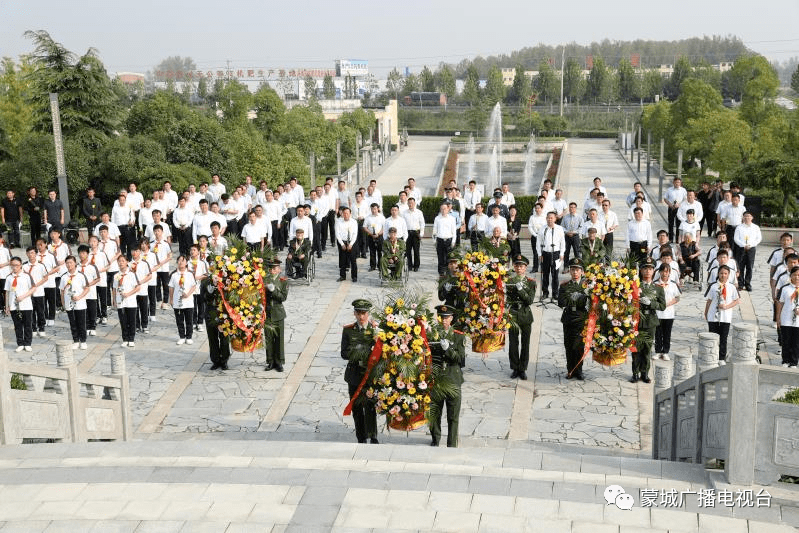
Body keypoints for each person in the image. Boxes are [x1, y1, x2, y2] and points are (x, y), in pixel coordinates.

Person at [341, 299, 378, 444]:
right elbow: (343, 353)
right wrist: (356, 353)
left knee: (370, 406)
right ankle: (361, 437)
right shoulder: (348, 330)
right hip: (354, 374)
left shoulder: (376, 329)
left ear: (368, 314)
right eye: (359, 313)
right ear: (354, 314)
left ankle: (373, 436)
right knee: (357, 408)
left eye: (364, 313)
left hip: (370, 375)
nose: (361, 317)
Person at [429, 304, 466, 447]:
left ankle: (451, 444)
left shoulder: (458, 336)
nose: (443, 321)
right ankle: (435, 439)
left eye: (446, 318)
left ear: (451, 318)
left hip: (452, 378)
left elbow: (459, 359)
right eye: (441, 317)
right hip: (437, 378)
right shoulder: (433, 334)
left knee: (453, 415)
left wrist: (448, 349)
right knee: (435, 412)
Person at [633, 258, 666, 383]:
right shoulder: (635, 286)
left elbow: (662, 306)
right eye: (645, 268)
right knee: (636, 348)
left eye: (650, 269)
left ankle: (644, 373)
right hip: (637, 319)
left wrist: (651, 303)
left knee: (647, 348)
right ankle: (635, 373)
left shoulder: (658, 288)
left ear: (654, 271)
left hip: (650, 320)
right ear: (641, 270)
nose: (648, 271)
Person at [506, 255, 536, 380]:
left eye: (521, 266)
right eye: (517, 266)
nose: (519, 268)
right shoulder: (509, 281)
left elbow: (529, 300)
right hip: (513, 314)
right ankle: (514, 368)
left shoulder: (531, 282)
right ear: (514, 267)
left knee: (525, 343)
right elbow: (507, 298)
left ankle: (522, 368)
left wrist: (521, 290)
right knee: (513, 343)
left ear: (526, 268)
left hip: (525, 314)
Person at [704, 265, 740, 364]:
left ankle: (721, 358)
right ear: (718, 274)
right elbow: (709, 301)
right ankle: (712, 355)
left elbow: (737, 301)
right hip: (713, 316)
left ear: (728, 275)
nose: (723, 275)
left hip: (725, 316)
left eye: (725, 273)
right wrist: (706, 313)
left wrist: (727, 306)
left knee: (723, 338)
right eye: (721, 273)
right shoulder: (713, 286)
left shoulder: (732, 287)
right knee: (713, 336)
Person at [60, 255, 90, 350]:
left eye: (71, 263)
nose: (69, 265)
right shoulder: (64, 277)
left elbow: (87, 288)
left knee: (81, 323)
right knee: (73, 323)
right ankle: (76, 340)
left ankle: (83, 341)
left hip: (80, 303)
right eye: (67, 263)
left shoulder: (81, 275)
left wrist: (80, 297)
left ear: (75, 263)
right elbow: (61, 291)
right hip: (69, 304)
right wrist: (63, 303)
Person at [6, 256, 36, 352]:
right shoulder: (9, 277)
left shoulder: (26, 276)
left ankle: (27, 343)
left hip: (26, 304)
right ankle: (20, 343)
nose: (14, 267)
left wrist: (23, 296)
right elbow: (7, 292)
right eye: (12, 265)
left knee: (27, 325)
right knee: (17, 325)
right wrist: (7, 306)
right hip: (14, 305)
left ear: (21, 265)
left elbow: (33, 288)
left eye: (16, 265)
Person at [264, 258, 288, 372]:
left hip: (278, 313)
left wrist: (273, 291)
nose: (273, 270)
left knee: (279, 339)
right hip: (268, 313)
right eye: (272, 268)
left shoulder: (283, 281)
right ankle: (270, 361)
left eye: (276, 268)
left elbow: (283, 297)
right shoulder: (265, 280)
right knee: (269, 339)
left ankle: (279, 362)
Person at [113, 256, 141, 348]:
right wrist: (114, 300)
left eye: (123, 261)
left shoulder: (132, 274)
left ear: (127, 262)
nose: (121, 263)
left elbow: (138, 287)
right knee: (123, 321)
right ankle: (125, 339)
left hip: (131, 301)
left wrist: (128, 294)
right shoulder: (116, 276)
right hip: (120, 301)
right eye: (119, 261)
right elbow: (114, 289)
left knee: (131, 320)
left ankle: (131, 339)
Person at [169, 255, 197, 346]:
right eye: (179, 261)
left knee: (189, 320)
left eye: (182, 261)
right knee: (179, 320)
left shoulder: (189, 274)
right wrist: (171, 299)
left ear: (186, 263)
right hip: (178, 302)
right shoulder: (174, 275)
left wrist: (188, 294)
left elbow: (193, 286)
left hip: (188, 302)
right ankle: (181, 336)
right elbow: (171, 287)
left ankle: (189, 337)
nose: (181, 262)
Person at [654, 263, 680, 362]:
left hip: (669, 313)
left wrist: (668, 304)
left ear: (669, 273)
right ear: (659, 272)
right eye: (663, 271)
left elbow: (677, 298)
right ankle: (657, 351)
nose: (665, 273)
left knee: (667, 334)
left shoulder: (673, 284)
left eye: (667, 271)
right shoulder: (655, 283)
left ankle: (665, 352)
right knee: (658, 333)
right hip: (657, 313)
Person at [538, 212, 565, 301]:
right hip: (545, 253)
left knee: (555, 275)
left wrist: (562, 254)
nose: (550, 219)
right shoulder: (543, 228)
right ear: (546, 218)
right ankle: (545, 292)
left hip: (556, 254)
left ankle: (555, 293)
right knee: (545, 274)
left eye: (551, 218)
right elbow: (538, 242)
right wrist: (539, 254)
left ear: (555, 219)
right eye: (548, 218)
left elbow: (562, 242)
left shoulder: (559, 228)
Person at [775, 266, 799, 368]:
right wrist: (778, 317)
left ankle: (794, 362)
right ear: (791, 276)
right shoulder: (785, 288)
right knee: (786, 341)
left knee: (796, 343)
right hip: (786, 319)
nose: (797, 277)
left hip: (798, 321)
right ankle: (785, 360)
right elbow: (780, 304)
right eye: (795, 275)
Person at [733, 211, 761, 292]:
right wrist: (743, 245)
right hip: (741, 248)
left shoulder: (756, 227)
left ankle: (748, 283)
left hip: (751, 248)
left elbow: (758, 238)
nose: (747, 218)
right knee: (740, 266)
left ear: (752, 218)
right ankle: (740, 284)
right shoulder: (739, 227)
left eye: (749, 216)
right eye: (745, 216)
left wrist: (751, 245)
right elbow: (736, 238)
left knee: (749, 266)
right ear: (743, 218)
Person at [77, 244, 101, 337]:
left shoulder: (92, 266)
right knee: (84, 311)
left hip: (91, 293)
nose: (81, 255)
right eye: (80, 253)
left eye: (83, 253)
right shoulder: (77, 267)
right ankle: (86, 327)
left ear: (87, 254)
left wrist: (88, 284)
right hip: (81, 293)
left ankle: (93, 327)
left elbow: (98, 278)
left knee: (92, 310)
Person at [432, 203, 457, 276]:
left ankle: (448, 272)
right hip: (440, 240)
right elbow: (434, 230)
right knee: (440, 258)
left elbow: (454, 231)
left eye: (445, 209)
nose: (443, 210)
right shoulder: (437, 218)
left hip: (449, 240)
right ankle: (441, 273)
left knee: (448, 258)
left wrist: (453, 241)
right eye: (442, 209)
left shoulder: (452, 219)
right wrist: (434, 241)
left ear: (448, 209)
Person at [336, 206, 359, 282]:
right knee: (342, 260)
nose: (346, 215)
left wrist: (351, 244)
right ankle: (342, 276)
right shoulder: (338, 222)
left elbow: (355, 234)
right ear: (342, 214)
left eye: (347, 213)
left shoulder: (354, 222)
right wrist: (342, 244)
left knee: (353, 260)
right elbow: (337, 234)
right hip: (342, 242)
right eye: (344, 213)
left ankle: (354, 276)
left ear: (350, 214)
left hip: (352, 242)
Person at [403, 197, 425, 272]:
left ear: (414, 203)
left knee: (416, 250)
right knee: (408, 251)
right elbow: (402, 224)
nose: (410, 204)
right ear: (407, 203)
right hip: (407, 233)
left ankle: (416, 266)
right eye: (409, 203)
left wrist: (421, 233)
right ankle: (409, 265)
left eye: (412, 203)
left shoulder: (419, 212)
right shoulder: (404, 213)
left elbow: (422, 223)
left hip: (416, 233)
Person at [663, 177, 687, 242]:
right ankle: (670, 239)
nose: (677, 183)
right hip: (671, 208)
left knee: (678, 224)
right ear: (673, 182)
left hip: (679, 208)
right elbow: (665, 198)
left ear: (680, 183)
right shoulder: (669, 190)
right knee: (670, 223)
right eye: (676, 182)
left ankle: (677, 239)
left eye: (678, 182)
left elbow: (685, 200)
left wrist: (679, 205)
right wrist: (670, 205)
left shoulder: (683, 190)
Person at [561, 202, 582, 269]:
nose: (572, 209)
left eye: (573, 207)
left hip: (575, 236)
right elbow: (562, 226)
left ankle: (578, 266)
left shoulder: (579, 217)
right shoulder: (565, 217)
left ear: (576, 208)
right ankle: (566, 266)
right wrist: (567, 232)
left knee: (577, 252)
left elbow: (581, 227)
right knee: (566, 252)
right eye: (570, 207)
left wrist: (574, 232)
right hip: (567, 236)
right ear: (569, 208)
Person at [527, 203, 546, 273]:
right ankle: (535, 267)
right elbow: (530, 227)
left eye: (539, 208)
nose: (537, 209)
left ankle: (543, 267)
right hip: (535, 236)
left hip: (543, 237)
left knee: (543, 252)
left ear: (541, 209)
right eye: (536, 208)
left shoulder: (544, 217)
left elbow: (546, 226)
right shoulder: (532, 217)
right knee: (535, 252)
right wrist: (535, 235)